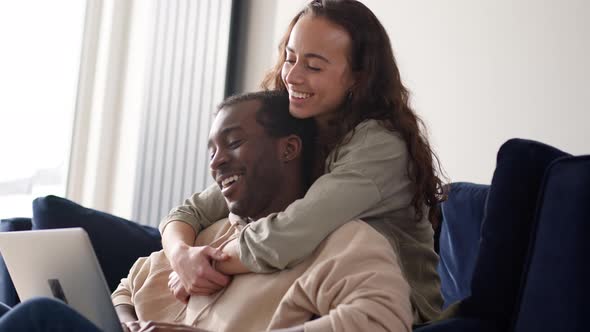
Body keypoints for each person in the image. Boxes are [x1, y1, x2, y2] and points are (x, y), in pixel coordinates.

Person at [0, 91, 412, 332]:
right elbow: (127, 288)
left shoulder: (340, 241)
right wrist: (128, 322)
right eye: (212, 150)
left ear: (288, 148)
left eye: (232, 143)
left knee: (39, 315)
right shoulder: (205, 237)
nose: (216, 162)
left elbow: (383, 320)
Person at [161, 0, 445, 323]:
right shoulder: (299, 129)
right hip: (299, 290)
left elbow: (290, 232)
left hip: (383, 310)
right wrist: (181, 256)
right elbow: (193, 211)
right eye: (290, 58)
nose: (293, 75)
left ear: (358, 77)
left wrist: (207, 264)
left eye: (314, 66)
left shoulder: (380, 146)